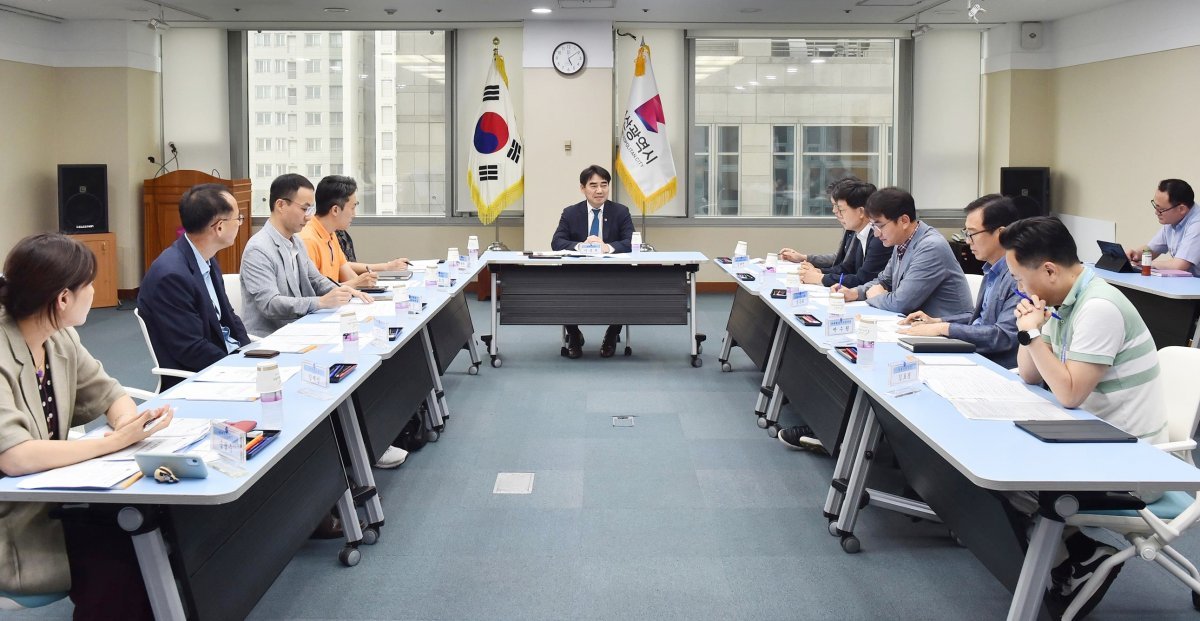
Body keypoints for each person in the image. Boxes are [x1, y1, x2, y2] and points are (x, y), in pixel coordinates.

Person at [0, 233, 174, 619]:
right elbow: (15, 457)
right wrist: (114, 442)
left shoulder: (58, 337)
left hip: (51, 494)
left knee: (155, 531)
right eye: (89, 284)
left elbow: (109, 393)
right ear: (63, 299)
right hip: (14, 518)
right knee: (122, 556)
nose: (94, 292)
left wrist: (130, 423)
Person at [1002, 216, 1168, 617]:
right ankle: (1079, 554)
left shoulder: (1098, 307)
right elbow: (1029, 373)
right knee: (990, 471)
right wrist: (1029, 327)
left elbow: (1070, 393)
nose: (1019, 288)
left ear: (1049, 270)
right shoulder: (1064, 299)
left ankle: (1073, 557)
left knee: (1004, 480)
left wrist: (1032, 335)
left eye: (1020, 279)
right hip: (1094, 439)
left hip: (1135, 460)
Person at [138, 183, 250, 388]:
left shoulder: (206, 258)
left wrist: (250, 353)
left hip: (228, 362)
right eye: (238, 218)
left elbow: (229, 316)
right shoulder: (171, 276)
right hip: (200, 379)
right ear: (219, 227)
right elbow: (190, 348)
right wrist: (239, 369)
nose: (240, 223)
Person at [897, 194, 1022, 369]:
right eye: (966, 233)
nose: (967, 240)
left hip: (994, 366)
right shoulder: (992, 269)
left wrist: (944, 329)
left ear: (1001, 233)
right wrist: (937, 321)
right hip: (973, 355)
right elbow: (981, 319)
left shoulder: (1019, 277)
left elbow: (1003, 336)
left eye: (972, 233)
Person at [240, 173, 372, 337]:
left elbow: (316, 280)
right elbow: (270, 303)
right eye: (304, 209)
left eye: (310, 209)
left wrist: (345, 291)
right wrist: (320, 302)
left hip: (299, 330)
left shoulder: (296, 241)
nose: (309, 216)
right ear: (281, 205)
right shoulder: (258, 249)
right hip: (270, 338)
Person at [832, 187, 974, 320]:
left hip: (947, 330)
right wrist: (855, 293)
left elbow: (901, 303)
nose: (876, 234)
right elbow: (884, 281)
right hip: (917, 325)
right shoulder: (901, 240)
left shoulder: (931, 247)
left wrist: (875, 296)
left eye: (880, 226)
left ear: (904, 221)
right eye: (873, 227)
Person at [550, 164, 635, 359]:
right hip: (577, 271)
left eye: (604, 185)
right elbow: (557, 242)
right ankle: (573, 335)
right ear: (583, 188)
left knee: (626, 288)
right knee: (563, 288)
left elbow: (631, 241)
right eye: (593, 185)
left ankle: (612, 335)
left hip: (613, 272)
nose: (599, 190)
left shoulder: (621, 211)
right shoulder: (570, 213)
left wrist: (607, 247)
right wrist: (581, 246)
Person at [299, 175, 408, 288]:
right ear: (335, 210)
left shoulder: (331, 234)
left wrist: (368, 283)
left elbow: (349, 276)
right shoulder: (308, 240)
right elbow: (313, 293)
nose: (354, 214)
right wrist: (357, 283)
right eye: (352, 208)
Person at [797, 180, 888, 288]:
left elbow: (863, 279)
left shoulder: (879, 238)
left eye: (841, 210)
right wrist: (818, 272)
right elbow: (847, 268)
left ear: (861, 212)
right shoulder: (860, 232)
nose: (837, 214)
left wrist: (820, 278)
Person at [1125, 179, 1200, 275]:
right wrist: (1135, 254)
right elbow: (1152, 250)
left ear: (1181, 209)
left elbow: (1179, 266)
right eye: (1156, 206)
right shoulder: (1173, 220)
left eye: (1161, 209)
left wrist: (1145, 264)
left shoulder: (1197, 224)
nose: (1156, 212)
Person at [780, 176, 860, 267]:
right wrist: (803, 258)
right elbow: (841, 259)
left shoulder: (868, 232)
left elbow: (854, 270)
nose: (834, 211)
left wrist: (820, 273)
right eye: (834, 205)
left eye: (839, 207)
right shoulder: (850, 228)